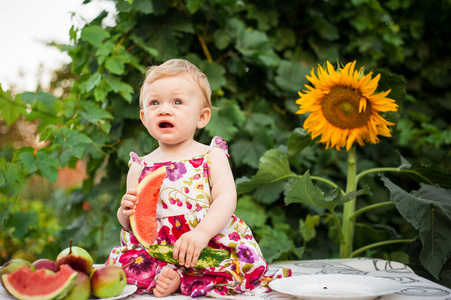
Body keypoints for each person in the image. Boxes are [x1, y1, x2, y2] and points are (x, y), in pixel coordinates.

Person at [106, 59, 291, 297]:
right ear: (144, 118)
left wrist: (202, 233)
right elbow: (133, 222)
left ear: (202, 117)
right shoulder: (139, 166)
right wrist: (125, 211)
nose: (164, 109)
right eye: (154, 102)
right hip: (157, 246)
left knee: (241, 264)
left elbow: (226, 198)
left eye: (177, 102)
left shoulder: (211, 155)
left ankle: (186, 277)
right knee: (122, 263)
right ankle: (170, 276)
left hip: (207, 240)